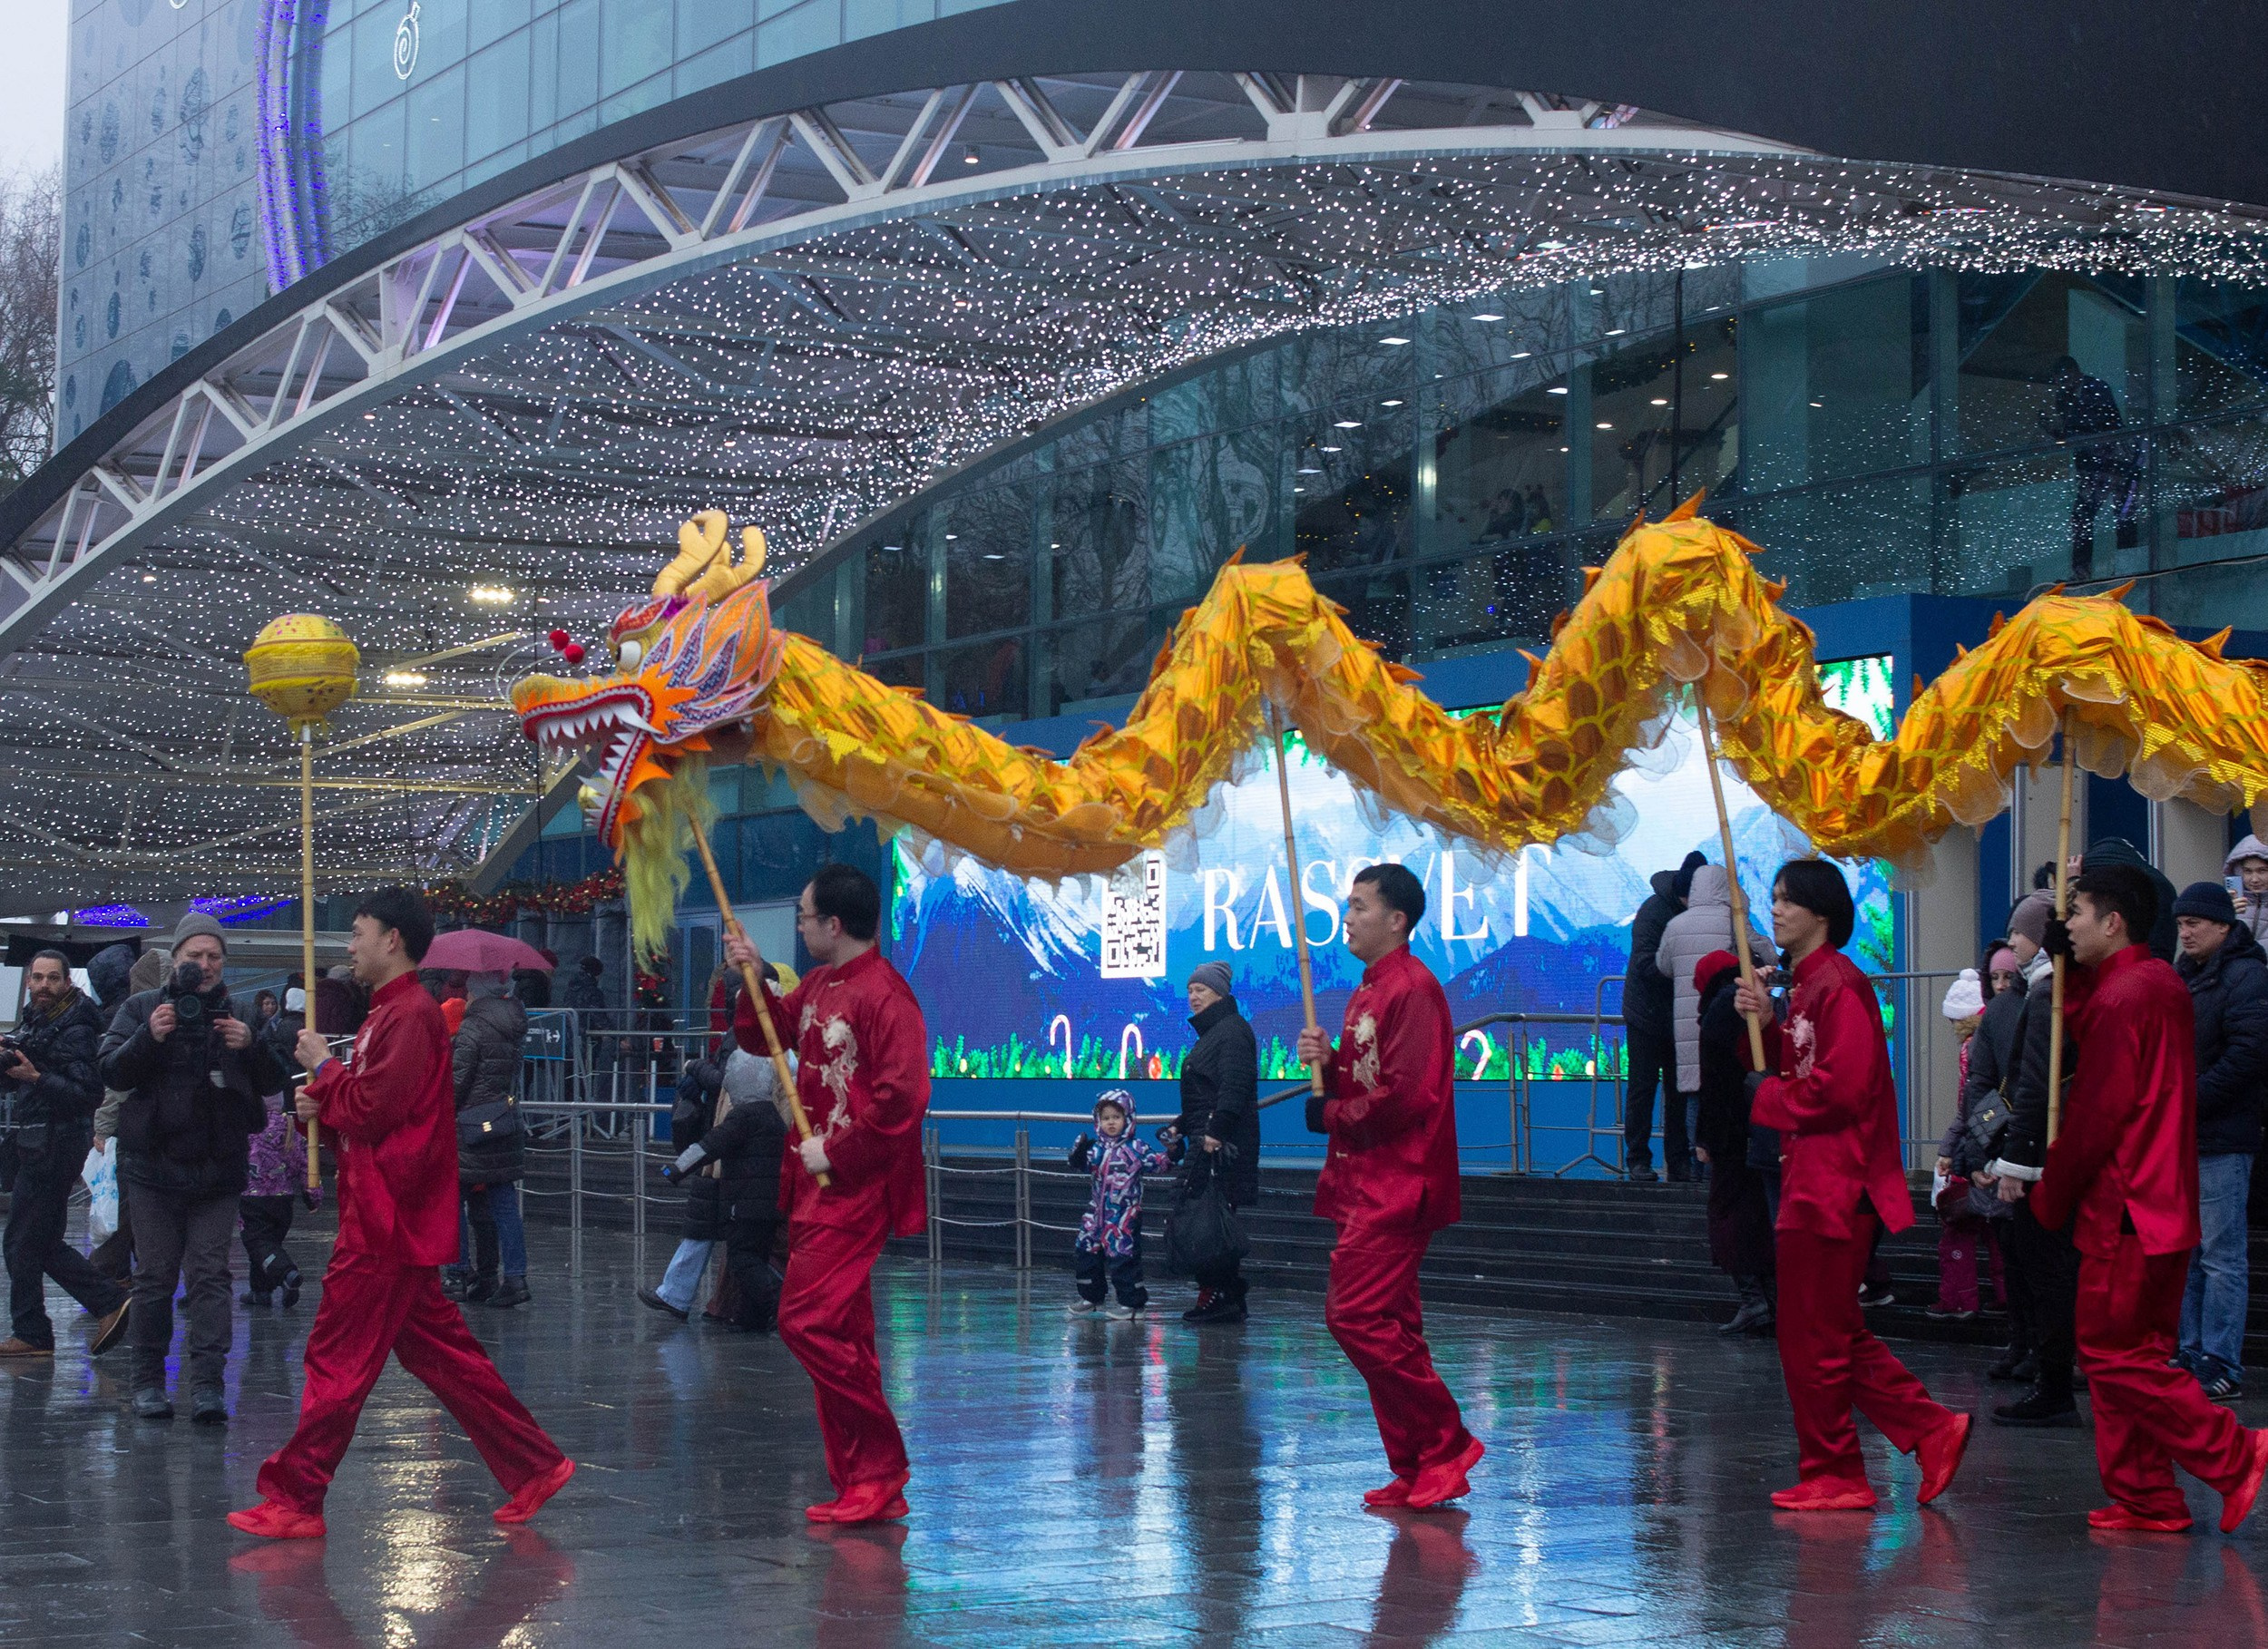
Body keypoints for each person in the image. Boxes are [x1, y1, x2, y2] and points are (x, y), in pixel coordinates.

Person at [229, 888, 572, 1541]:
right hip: (390, 1215)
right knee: (447, 1358)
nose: (349, 945)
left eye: (357, 932)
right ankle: (535, 1465)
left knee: (337, 1358)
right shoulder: (393, 1014)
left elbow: (372, 1110)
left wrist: (325, 1074)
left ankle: (297, 1495)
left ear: (391, 939)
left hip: (385, 1222)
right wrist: (324, 1101)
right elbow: (371, 1112)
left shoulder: (408, 1015)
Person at [2029, 864, 2268, 1532]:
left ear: (2114, 921)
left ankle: (2231, 1452)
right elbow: (2084, 1020)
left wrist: (2052, 1190)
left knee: (2112, 1354)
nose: (2068, 924)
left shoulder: (2127, 995)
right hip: (2164, 1197)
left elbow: (2097, 1113)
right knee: (2134, 1353)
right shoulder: (2154, 982)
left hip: (2126, 1202)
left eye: (2076, 913)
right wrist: (2069, 969)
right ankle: (2147, 1495)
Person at [1736, 860, 1970, 1511]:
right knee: (1827, 1328)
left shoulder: (1839, 984)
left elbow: (1843, 1087)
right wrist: (1763, 1018)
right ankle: (1927, 1429)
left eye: (1788, 901)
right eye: (1774, 899)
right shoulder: (1809, 986)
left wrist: (1773, 1096)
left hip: (1835, 1182)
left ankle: (1838, 1469)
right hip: (1812, 1176)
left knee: (1813, 1334)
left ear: (1822, 912)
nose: (1775, 910)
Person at [726, 863, 929, 1526]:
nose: (802, 927)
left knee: (804, 1322)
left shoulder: (885, 995)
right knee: (843, 1331)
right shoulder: (816, 984)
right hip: (813, 1186)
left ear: (834, 924)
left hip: (854, 1188)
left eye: (806, 918)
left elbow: (904, 1099)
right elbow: (765, 1032)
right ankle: (864, 1481)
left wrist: (837, 1152)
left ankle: (881, 1463)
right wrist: (752, 974)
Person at [1295, 862, 1481, 1510]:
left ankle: (1446, 1441)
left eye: (1360, 906)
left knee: (1355, 1315)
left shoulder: (1414, 990)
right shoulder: (1369, 990)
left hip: (1401, 1181)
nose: (1347, 917)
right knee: (1393, 1322)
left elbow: (1407, 1096)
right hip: (1367, 1179)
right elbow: (1370, 1076)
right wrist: (1333, 1064)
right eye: (1347, 905)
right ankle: (1415, 1463)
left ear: (1397, 920)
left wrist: (1334, 1113)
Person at [99, 912, 286, 1423]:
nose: (203, 967)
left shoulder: (242, 1012)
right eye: (193, 957)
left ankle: (206, 1384)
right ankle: (148, 1381)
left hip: (218, 1168)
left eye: (213, 958)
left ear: (224, 962)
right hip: (152, 1167)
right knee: (155, 1276)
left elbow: (275, 1082)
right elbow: (110, 1068)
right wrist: (148, 1036)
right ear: (174, 960)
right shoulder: (142, 1008)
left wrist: (254, 1043)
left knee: (210, 1275)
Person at [1980, 891, 2085, 1426]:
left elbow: (2035, 1082)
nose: (2012, 940)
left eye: (2021, 931)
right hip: (2055, 1150)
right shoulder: (2045, 993)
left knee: (2044, 1270)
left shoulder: (2051, 996)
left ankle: (2053, 1382)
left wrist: (2016, 1163)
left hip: (2044, 1157)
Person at [0, 950, 132, 1361]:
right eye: (37, 978)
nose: (43, 985)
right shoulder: (41, 1019)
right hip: (43, 1140)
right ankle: (40, 1329)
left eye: (52, 978)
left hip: (55, 1144)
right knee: (35, 1241)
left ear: (67, 983)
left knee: (22, 1241)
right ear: (28, 982)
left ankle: (99, 1303)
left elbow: (86, 1094)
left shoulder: (74, 1026)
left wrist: (35, 1077)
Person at [2168, 882, 2267, 1402]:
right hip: (2189, 1134)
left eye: (2194, 924)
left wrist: (2190, 1099)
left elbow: (2250, 1052)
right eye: (2180, 924)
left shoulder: (2246, 975)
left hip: (2223, 1137)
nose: (2184, 932)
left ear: (2224, 928)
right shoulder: (2186, 976)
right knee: (2189, 1251)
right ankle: (2190, 1351)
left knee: (2221, 1255)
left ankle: (2221, 1358)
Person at [658, 1039, 789, 1333]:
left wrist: (674, 1170)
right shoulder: (774, 1118)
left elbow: (707, 1147)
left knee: (743, 1259)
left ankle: (778, 1299)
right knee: (757, 1255)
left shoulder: (741, 1117)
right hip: (772, 1205)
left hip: (743, 1204)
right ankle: (753, 1318)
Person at [1656, 861, 1771, 1183]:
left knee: (1694, 1093)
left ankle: (1696, 1170)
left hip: (1687, 1023)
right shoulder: (1732, 921)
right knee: (1723, 1092)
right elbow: (1767, 953)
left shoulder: (1676, 925)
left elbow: (1663, 965)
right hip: (1727, 1019)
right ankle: (1718, 1173)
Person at [1167, 959, 1260, 1322]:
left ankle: (1220, 1294)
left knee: (1211, 1222)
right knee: (1208, 1220)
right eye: (1190, 990)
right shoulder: (1215, 1032)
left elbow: (1234, 1088)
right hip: (1206, 1140)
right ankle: (1221, 1293)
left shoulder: (1232, 1031)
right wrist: (1180, 1125)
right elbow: (1209, 1092)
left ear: (1220, 993)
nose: (1193, 996)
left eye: (1200, 990)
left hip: (1221, 1149)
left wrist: (1216, 1133)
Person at [1692, 950, 1774, 1333]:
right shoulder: (1748, 1001)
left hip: (1730, 1133)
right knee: (1758, 1215)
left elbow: (1714, 1084)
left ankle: (1754, 1299)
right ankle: (1769, 1299)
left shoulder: (1718, 1012)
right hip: (1760, 1127)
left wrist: (1703, 1137)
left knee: (1728, 1216)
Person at [89, 945, 171, 1283]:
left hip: (136, 1130)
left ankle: (112, 1275)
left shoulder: (128, 1012)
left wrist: (103, 1128)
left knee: (130, 1206)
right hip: (173, 1134)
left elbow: (116, 1085)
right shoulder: (190, 1012)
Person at [452, 971, 531, 1310]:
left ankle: (458, 1269)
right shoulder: (514, 1024)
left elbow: (459, 1078)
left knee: (451, 1197)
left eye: (469, 990)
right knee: (503, 1203)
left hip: (471, 1125)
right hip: (503, 1121)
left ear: (478, 992)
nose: (466, 996)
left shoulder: (473, 1026)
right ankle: (515, 1277)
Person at [1625, 853, 1704, 1183]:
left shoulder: (1702, 912)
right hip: (1646, 1013)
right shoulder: (1654, 911)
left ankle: (1678, 1162)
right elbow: (1643, 963)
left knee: (1678, 1090)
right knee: (1643, 1087)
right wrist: (1683, 970)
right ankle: (1638, 1159)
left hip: (1681, 1015)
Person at [1069, 1089, 1176, 1320]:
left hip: (1124, 1216)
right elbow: (1082, 1164)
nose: (1111, 1123)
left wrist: (1173, 1153)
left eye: (1116, 1118)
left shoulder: (1136, 1148)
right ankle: (1091, 1297)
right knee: (1086, 1252)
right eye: (1106, 1118)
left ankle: (1131, 1303)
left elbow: (1159, 1164)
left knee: (1123, 1258)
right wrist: (1078, 1155)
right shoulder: (1096, 1149)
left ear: (1128, 1119)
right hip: (1095, 1215)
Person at [1929, 971, 1991, 1322]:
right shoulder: (1994, 1038)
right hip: (1995, 1144)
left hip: (1974, 1146)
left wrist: (1950, 1149)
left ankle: (1959, 1298)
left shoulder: (1971, 1049)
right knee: (1995, 1231)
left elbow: (1967, 1106)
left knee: (1956, 1229)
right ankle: (2003, 1295)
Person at [2042, 356, 2137, 581]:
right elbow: (2073, 434)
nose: (2061, 384)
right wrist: (2053, 430)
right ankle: (2083, 571)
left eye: (2063, 378)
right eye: (2058, 381)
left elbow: (2098, 425)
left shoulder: (2096, 388)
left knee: (2121, 514)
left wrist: (2068, 432)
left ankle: (2126, 568)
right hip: (2092, 465)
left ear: (2075, 372)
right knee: (2085, 515)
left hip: (2113, 461)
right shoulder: (2064, 397)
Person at [238, 1088, 315, 1309]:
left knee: (257, 1242)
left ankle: (286, 1273)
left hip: (253, 1198)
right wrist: (312, 1196)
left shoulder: (249, 1128)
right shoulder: (290, 1129)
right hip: (283, 1202)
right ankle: (260, 1291)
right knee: (269, 1243)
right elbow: (306, 1166)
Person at [2229, 834, 2268, 946]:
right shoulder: (2230, 904)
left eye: (2262, 871)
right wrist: (2225, 916)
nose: (2254, 879)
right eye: (2248, 871)